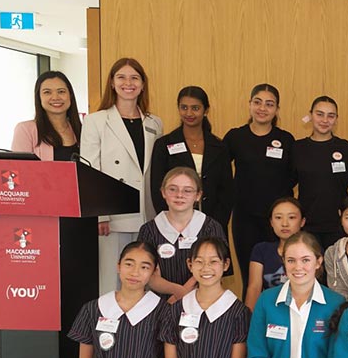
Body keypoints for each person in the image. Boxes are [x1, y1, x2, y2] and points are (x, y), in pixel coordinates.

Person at [81, 57, 163, 293]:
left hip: (146, 210)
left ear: (143, 84)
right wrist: (100, 215)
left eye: (134, 77)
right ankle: (109, 328)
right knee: (111, 278)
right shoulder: (97, 121)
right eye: (122, 77)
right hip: (112, 214)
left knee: (146, 277)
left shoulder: (154, 123)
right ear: (112, 83)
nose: (129, 83)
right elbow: (90, 170)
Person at [223, 83, 296, 284]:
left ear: (277, 110)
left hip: (278, 221)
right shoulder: (235, 137)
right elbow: (219, 172)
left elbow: (295, 175)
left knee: (280, 277)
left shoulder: (286, 139)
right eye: (258, 102)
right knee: (250, 278)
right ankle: (252, 315)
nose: (262, 108)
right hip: (245, 219)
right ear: (249, 104)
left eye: (269, 104)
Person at [149, 86, 233, 230]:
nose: (189, 113)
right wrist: (170, 222)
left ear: (206, 110)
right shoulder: (164, 144)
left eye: (195, 108)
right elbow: (158, 188)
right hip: (174, 222)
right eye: (184, 107)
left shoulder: (219, 147)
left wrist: (214, 225)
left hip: (212, 221)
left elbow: (226, 191)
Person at [138, 167, 225, 302]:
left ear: (198, 195)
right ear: (163, 192)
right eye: (172, 189)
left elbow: (214, 269)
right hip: (161, 303)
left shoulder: (211, 228)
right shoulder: (149, 230)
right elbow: (149, 275)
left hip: (203, 301)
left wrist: (179, 297)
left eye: (187, 190)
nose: (179, 195)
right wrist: (175, 293)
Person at [295, 96, 348, 248]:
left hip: (339, 226)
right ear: (310, 115)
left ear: (336, 119)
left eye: (331, 116)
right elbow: (283, 183)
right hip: (306, 226)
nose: (324, 120)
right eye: (319, 114)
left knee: (336, 271)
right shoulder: (298, 149)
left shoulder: (345, 148)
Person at [244, 197, 306, 310]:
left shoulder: (312, 251)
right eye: (278, 218)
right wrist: (249, 322)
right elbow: (254, 288)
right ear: (271, 222)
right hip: (270, 313)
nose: (285, 223)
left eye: (291, 217)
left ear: (302, 221)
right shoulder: (261, 250)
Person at [11, 70, 81, 161]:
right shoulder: (25, 130)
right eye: (47, 92)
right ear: (39, 97)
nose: (55, 97)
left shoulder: (82, 130)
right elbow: (20, 169)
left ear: (70, 95)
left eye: (61, 91)